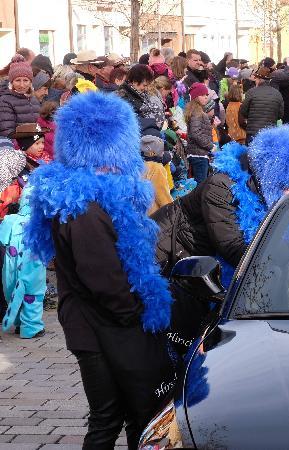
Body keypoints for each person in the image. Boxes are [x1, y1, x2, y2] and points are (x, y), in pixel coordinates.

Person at [23, 91, 175, 449]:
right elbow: (102, 278)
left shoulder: (88, 197)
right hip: (98, 329)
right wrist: (137, 315)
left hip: (100, 323)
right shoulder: (84, 206)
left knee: (123, 412)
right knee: (109, 416)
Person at [151, 126, 289, 352]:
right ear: (273, 175)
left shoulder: (265, 190)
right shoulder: (223, 187)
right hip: (165, 256)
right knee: (171, 343)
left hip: (198, 259)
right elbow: (235, 249)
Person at [0, 189, 45, 339]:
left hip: (12, 262)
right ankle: (31, 327)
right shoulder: (40, 222)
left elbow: (3, 240)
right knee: (33, 291)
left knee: (12, 288)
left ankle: (19, 323)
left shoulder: (9, 220)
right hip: (33, 260)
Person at [240, 61, 284, 143]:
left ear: (259, 79)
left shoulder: (251, 92)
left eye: (256, 79)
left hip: (253, 132)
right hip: (269, 132)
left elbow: (243, 112)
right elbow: (280, 115)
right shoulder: (277, 93)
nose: (255, 81)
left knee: (252, 155)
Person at [0, 55, 41, 138]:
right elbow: (7, 131)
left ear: (30, 82)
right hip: (17, 148)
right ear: (11, 82)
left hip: (35, 146)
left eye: (26, 80)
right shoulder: (5, 101)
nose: (22, 85)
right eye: (17, 80)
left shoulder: (34, 99)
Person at [184, 82, 214, 184]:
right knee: (201, 185)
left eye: (206, 95)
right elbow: (196, 133)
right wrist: (210, 146)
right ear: (196, 97)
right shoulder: (197, 113)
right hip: (199, 154)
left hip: (199, 153)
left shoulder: (197, 111)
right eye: (203, 95)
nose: (206, 97)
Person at [141, 135, 173, 215]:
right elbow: (162, 195)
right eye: (161, 151)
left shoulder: (139, 166)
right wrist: (172, 212)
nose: (163, 153)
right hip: (155, 214)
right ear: (153, 153)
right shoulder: (156, 168)